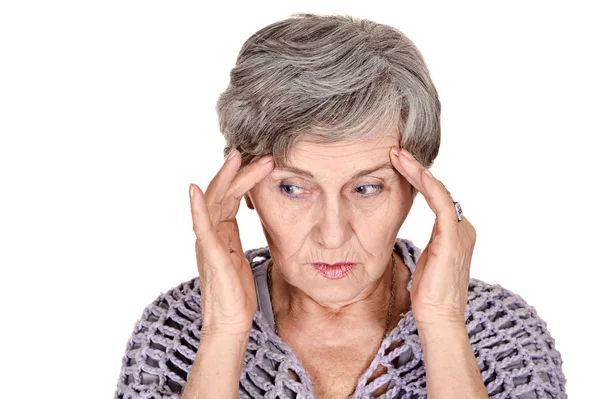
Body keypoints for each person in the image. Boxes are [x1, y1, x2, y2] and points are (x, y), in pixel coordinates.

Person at [114, 13, 567, 399]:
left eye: (366, 188)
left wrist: (444, 324)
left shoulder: (502, 335)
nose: (332, 234)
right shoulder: (174, 333)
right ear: (242, 188)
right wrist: (224, 332)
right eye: (293, 188)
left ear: (418, 189)